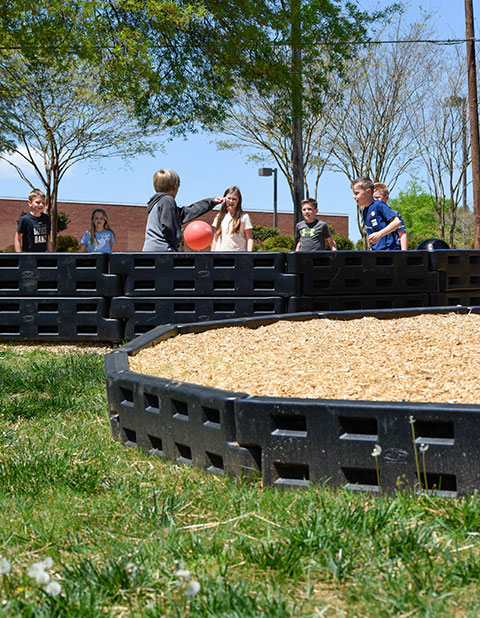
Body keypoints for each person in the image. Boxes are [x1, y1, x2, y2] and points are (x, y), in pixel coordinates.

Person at [142, 168, 225, 252]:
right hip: (163, 250)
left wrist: (211, 202)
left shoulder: (156, 203)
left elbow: (188, 212)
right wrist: (177, 240)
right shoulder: (167, 200)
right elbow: (168, 227)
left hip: (150, 249)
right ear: (175, 187)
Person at [352, 177, 401, 251]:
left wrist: (379, 234)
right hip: (377, 252)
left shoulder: (379, 205)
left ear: (368, 192)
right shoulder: (365, 211)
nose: (353, 196)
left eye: (356, 193)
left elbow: (397, 222)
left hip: (389, 251)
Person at [211, 186, 254, 251]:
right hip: (220, 254)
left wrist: (249, 255)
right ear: (224, 199)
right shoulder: (219, 216)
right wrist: (212, 254)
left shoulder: (244, 217)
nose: (231, 201)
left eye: (234, 199)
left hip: (238, 255)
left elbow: (250, 238)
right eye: (229, 198)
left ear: (238, 200)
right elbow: (215, 238)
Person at [14, 188, 52, 253]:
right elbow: (17, 238)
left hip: (43, 256)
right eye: (38, 202)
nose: (41, 205)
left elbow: (47, 239)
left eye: (43, 203)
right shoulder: (25, 219)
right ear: (30, 203)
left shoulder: (46, 218)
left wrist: (51, 255)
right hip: (29, 256)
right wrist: (19, 256)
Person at [373, 182, 408, 250]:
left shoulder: (393, 214)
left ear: (386, 198)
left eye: (377, 198)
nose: (375, 201)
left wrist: (404, 254)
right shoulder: (372, 216)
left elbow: (402, 234)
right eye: (373, 198)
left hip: (393, 251)